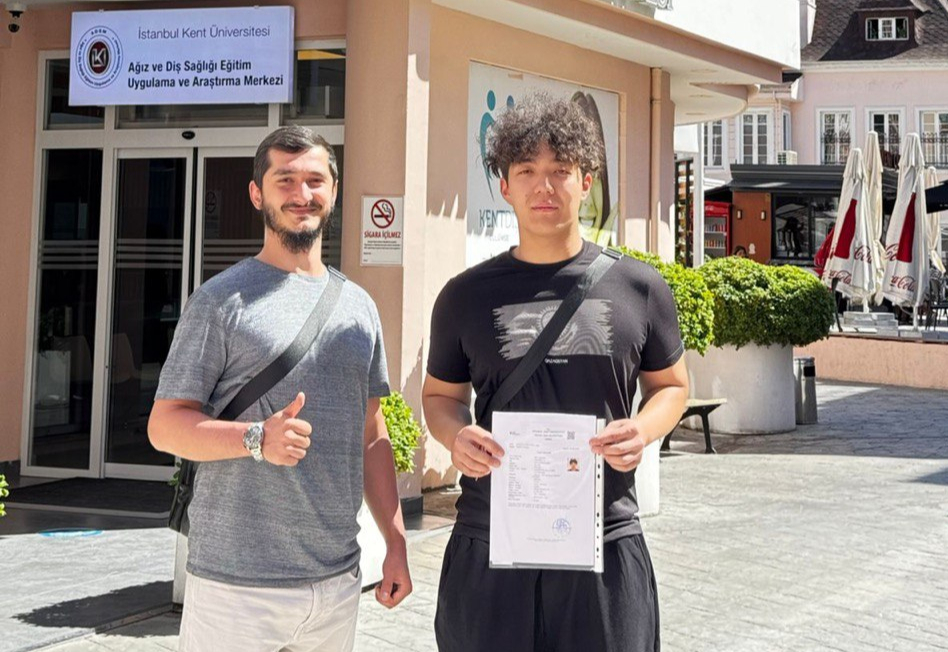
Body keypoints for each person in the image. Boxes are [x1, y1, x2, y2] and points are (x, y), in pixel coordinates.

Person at [423, 92, 689, 652]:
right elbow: (440, 397)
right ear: (505, 186)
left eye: (560, 171)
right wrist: (456, 435)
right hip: (490, 537)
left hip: (604, 537)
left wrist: (642, 430)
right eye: (527, 171)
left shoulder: (639, 286)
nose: (544, 186)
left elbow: (671, 386)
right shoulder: (464, 295)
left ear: (586, 180)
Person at [148, 125, 411, 652]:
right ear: (256, 193)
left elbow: (371, 432)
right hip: (234, 587)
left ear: (333, 191)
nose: (301, 193)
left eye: (315, 179)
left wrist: (396, 544)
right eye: (284, 179)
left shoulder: (360, 307)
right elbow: (164, 426)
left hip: (335, 584)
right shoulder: (220, 302)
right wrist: (255, 440)